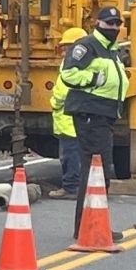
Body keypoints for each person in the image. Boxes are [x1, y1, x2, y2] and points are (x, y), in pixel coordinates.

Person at [60, 6, 128, 240]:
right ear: (98, 23)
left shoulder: (111, 50)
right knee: (97, 171)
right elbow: (68, 74)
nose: (114, 27)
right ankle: (90, 226)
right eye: (110, 23)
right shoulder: (87, 45)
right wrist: (93, 79)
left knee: (97, 170)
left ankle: (89, 225)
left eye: (117, 23)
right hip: (91, 113)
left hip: (104, 114)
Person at [48, 27, 87, 199]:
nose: (64, 49)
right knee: (75, 153)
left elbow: (64, 89)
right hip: (73, 117)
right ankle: (77, 185)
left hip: (68, 118)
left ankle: (71, 187)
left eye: (67, 46)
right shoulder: (87, 61)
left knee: (69, 155)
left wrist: (55, 102)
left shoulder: (73, 62)